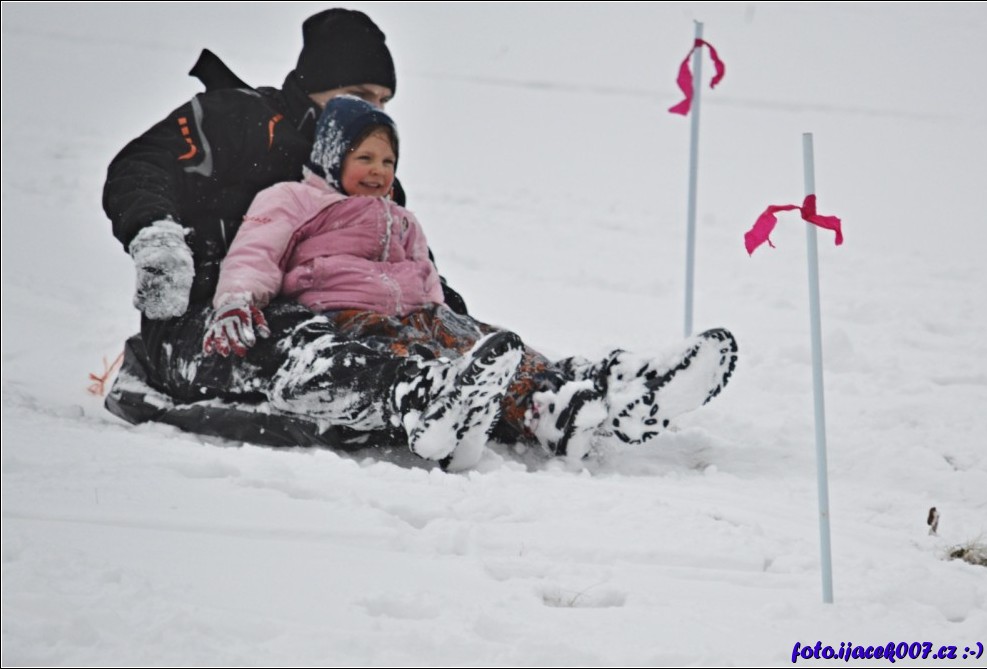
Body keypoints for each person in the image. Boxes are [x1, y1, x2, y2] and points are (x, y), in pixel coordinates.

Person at [202, 95, 739, 470]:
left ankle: (581, 396)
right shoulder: (293, 200)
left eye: (387, 160)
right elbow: (255, 252)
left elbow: (425, 276)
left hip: (416, 312)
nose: (377, 170)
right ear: (330, 156)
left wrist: (448, 320)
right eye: (363, 157)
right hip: (340, 311)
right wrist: (236, 302)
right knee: (402, 350)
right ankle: (437, 403)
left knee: (477, 338)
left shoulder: (401, 216)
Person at [101, 8, 465, 448]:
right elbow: (143, 166)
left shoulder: (365, 170)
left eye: (384, 100)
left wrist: (450, 320)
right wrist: (157, 240)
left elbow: (399, 262)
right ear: (316, 85)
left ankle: (533, 403)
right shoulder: (237, 116)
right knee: (297, 339)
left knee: (440, 338)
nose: (375, 111)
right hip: (212, 324)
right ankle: (410, 394)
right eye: (359, 93)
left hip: (336, 321)